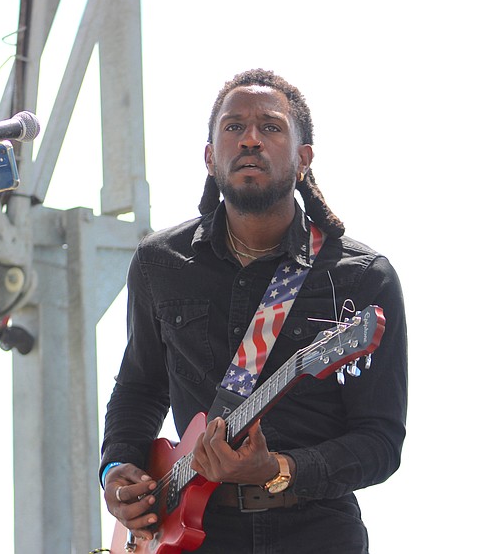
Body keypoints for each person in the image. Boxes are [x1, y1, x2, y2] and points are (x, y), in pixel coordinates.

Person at [100, 68, 407, 553]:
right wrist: (116, 469)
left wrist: (280, 470)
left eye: (270, 127)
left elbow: (380, 440)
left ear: (303, 158)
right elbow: (140, 388)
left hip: (317, 532)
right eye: (233, 126)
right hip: (189, 534)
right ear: (209, 156)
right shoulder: (161, 263)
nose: (250, 139)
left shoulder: (362, 277)